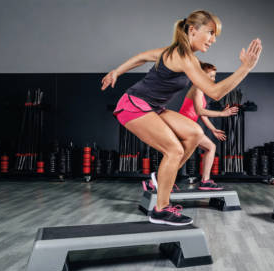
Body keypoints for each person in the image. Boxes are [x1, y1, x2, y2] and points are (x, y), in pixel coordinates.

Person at [102, 10, 262, 225]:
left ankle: (160, 181)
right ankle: (160, 209)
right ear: (193, 30)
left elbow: (142, 57)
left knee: (195, 133)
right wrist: (246, 68)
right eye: (210, 33)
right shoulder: (184, 57)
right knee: (174, 150)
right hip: (133, 105)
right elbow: (214, 92)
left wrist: (117, 71)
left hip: (154, 107)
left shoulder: (178, 53)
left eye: (216, 35)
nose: (213, 40)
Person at [179, 62, 238, 190]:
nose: (213, 79)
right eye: (210, 76)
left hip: (188, 127)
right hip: (185, 126)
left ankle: (156, 179)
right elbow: (200, 111)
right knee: (210, 147)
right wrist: (222, 114)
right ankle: (205, 181)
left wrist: (213, 129)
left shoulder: (199, 89)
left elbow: (201, 114)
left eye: (214, 76)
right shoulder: (197, 88)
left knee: (181, 155)